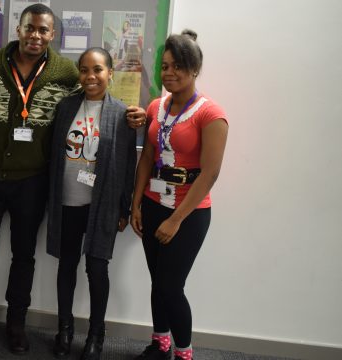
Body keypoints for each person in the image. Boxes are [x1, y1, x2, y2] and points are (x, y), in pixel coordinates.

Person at [0, 3, 147, 354]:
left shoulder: (66, 72)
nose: (35, 35)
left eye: (43, 30)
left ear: (53, 34)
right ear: (18, 29)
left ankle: (16, 324)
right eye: (29, 28)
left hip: (32, 181)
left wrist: (132, 115)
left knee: (24, 255)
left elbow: (93, 100)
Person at [130, 30, 228, 360]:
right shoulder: (156, 106)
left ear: (195, 69)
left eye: (177, 67)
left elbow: (210, 173)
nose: (168, 73)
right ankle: (160, 345)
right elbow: (146, 157)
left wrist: (175, 219)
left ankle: (184, 353)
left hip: (189, 212)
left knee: (172, 287)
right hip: (153, 203)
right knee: (158, 283)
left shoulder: (210, 114)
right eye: (165, 66)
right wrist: (136, 203)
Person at [46, 47, 137, 360]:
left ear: (110, 72)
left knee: (97, 270)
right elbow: (52, 156)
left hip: (101, 207)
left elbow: (128, 167)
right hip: (68, 203)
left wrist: (124, 209)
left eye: (97, 69)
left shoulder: (121, 114)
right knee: (66, 267)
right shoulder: (67, 107)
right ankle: (65, 329)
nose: (90, 76)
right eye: (84, 70)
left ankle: (96, 335)